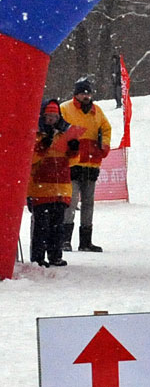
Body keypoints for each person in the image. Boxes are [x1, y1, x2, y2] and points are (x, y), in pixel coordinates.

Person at [59, 77, 112, 252]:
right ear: (76, 94)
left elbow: (106, 128)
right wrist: (68, 144)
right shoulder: (65, 109)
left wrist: (104, 144)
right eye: (83, 93)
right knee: (71, 202)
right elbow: (58, 129)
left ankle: (85, 242)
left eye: (88, 93)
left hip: (91, 163)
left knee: (88, 203)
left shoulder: (97, 111)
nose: (86, 96)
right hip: (72, 163)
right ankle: (65, 240)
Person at [26, 100, 78, 267]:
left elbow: (73, 161)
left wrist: (74, 149)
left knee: (57, 227)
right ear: (42, 116)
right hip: (40, 189)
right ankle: (38, 258)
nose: (52, 120)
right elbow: (30, 160)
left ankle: (55, 255)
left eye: (55, 116)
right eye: (49, 116)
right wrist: (42, 146)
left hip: (61, 188)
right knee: (41, 228)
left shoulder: (65, 133)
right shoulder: (35, 134)